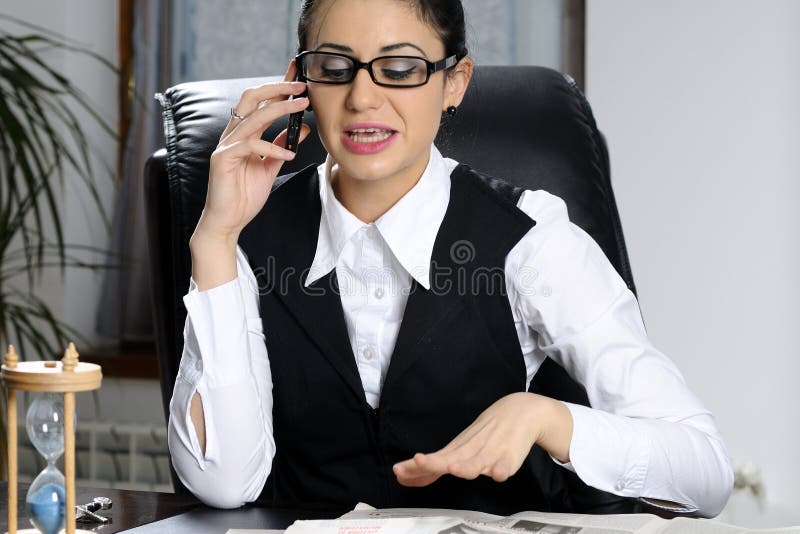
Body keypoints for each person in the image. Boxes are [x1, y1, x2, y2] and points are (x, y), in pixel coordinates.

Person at [167, 0, 733, 517]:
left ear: (454, 81)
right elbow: (225, 484)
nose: (363, 98)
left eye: (402, 68)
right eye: (336, 67)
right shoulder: (246, 233)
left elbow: (704, 473)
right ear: (302, 83)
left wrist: (546, 418)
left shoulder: (530, 238)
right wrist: (215, 239)